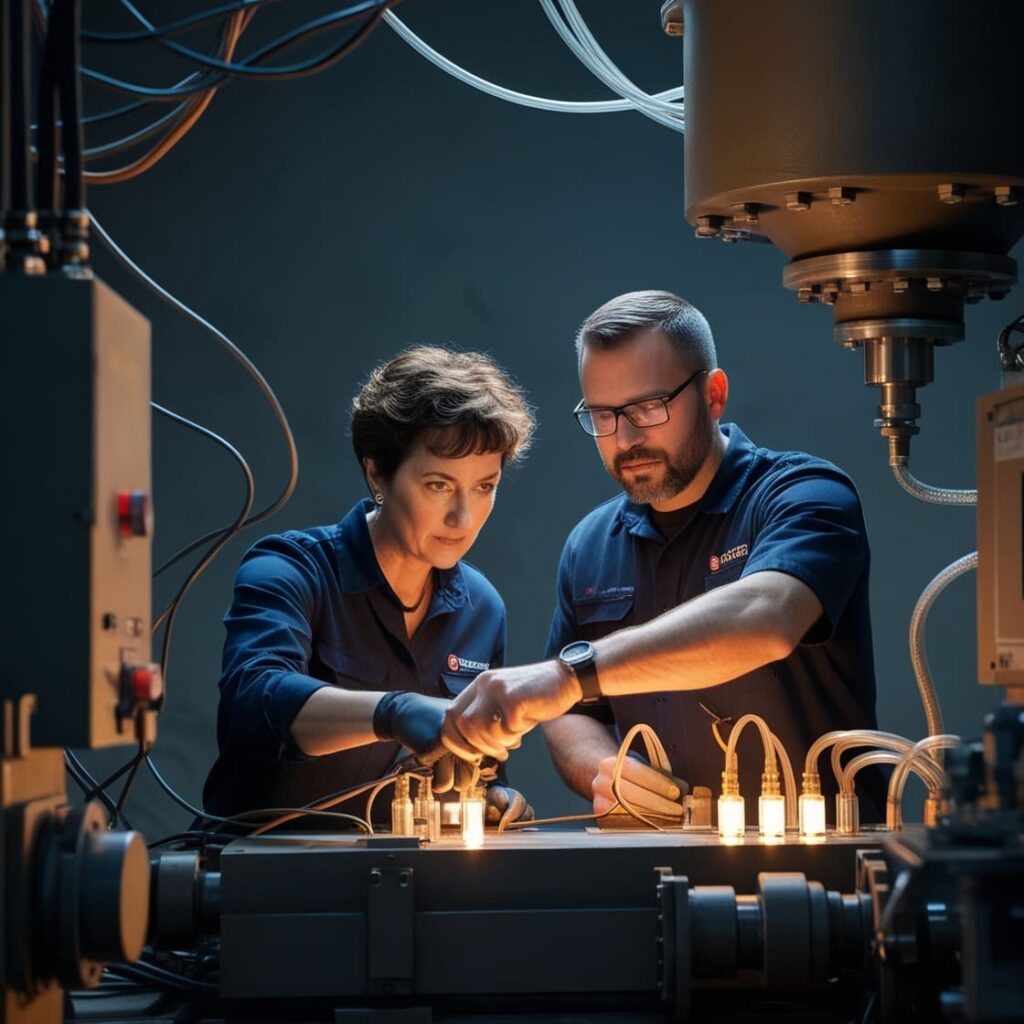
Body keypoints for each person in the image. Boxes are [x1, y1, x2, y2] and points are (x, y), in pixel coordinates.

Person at [440, 291, 879, 822]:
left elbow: (765, 617)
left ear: (714, 395)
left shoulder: (805, 493)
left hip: (826, 865)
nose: (626, 438)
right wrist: (606, 770)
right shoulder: (591, 544)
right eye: (603, 415)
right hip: (666, 869)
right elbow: (571, 717)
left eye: (650, 407)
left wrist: (566, 676)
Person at [202, 345, 536, 828]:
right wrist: (393, 713)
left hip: (393, 885)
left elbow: (475, 768)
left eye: (484, 487)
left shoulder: (483, 608)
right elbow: (256, 698)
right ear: (376, 472)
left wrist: (492, 799)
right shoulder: (290, 569)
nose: (463, 518)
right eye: (439, 485)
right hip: (260, 875)